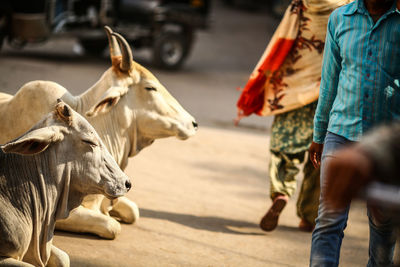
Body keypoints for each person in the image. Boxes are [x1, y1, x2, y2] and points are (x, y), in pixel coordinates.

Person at [236, 0, 350, 232]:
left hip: (294, 87)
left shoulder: (304, 3)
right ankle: (308, 216)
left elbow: (282, 38)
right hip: (331, 88)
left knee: (284, 145)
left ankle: (281, 192)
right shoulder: (350, 7)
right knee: (322, 154)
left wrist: (265, 77)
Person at [309, 0, 400, 265]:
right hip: (341, 131)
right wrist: (319, 134)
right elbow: (330, 80)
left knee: (383, 223)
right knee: (328, 219)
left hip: (388, 143)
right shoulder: (340, 18)